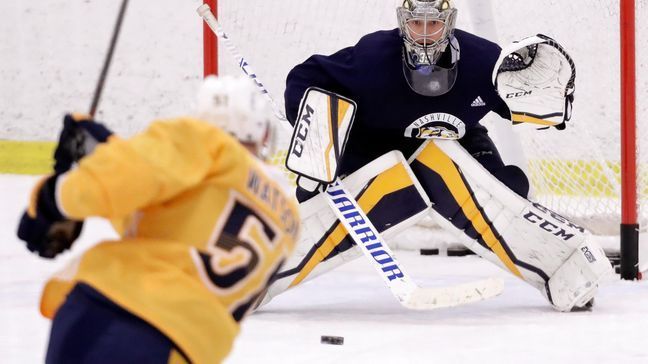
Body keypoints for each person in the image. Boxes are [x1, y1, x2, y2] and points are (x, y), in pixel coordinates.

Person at [259, 0, 612, 312]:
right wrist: (319, 133)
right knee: (313, 199)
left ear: (450, 22)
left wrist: (545, 101)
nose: (425, 34)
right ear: (403, 22)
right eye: (417, 23)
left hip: (458, 143)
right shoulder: (373, 57)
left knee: (510, 191)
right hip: (377, 145)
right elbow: (305, 78)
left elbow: (521, 100)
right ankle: (255, 276)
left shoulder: (482, 60)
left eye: (434, 24)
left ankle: (559, 267)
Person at [16, 75, 300, 363]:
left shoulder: (204, 140)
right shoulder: (287, 217)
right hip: (183, 349)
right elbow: (167, 219)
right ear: (263, 132)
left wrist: (54, 199)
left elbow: (123, 181)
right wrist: (107, 151)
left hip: (115, 313)